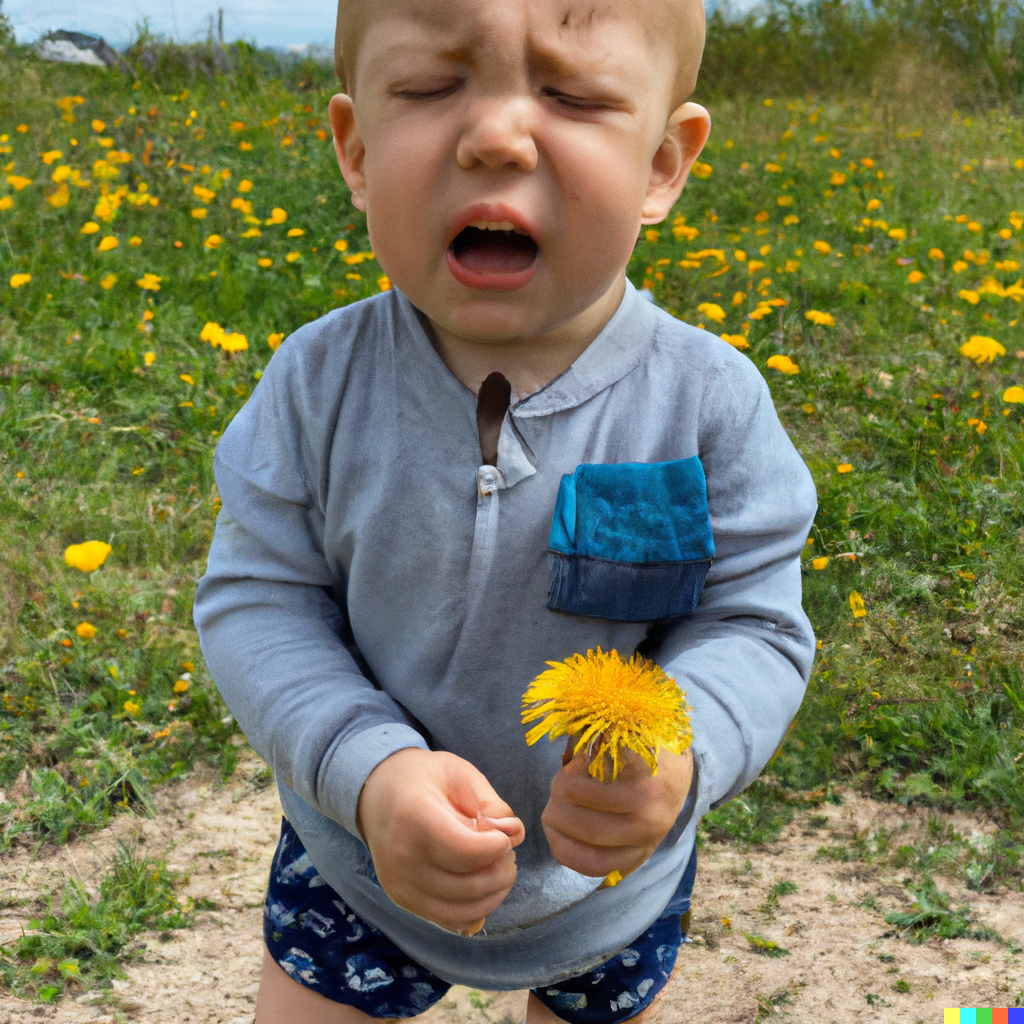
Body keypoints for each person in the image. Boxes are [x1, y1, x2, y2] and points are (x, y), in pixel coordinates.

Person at [192, 0, 817, 1020]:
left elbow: (752, 619)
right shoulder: (317, 383)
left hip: (615, 874)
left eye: (571, 94)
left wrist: (678, 756)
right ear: (354, 148)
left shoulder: (708, 402)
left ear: (663, 163)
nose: (494, 135)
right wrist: (367, 769)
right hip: (360, 851)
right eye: (432, 87)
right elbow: (258, 598)